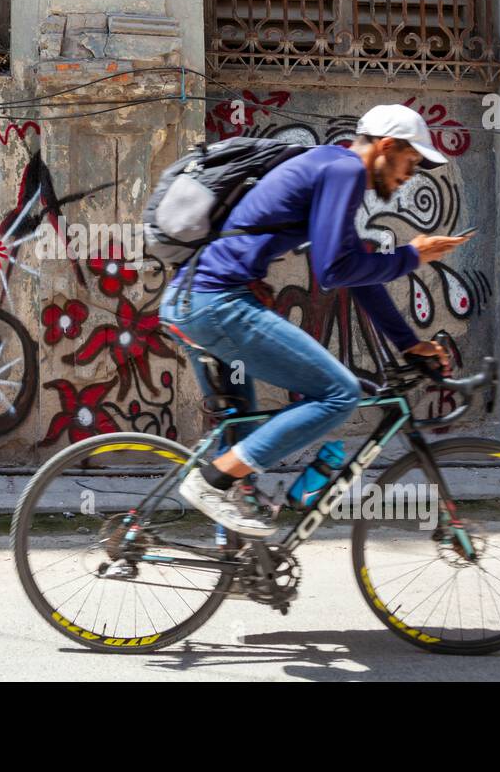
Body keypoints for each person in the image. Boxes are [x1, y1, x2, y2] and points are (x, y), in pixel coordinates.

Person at [159, 103, 472, 537]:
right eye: (411, 161)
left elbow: (357, 273)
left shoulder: (327, 167)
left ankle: (233, 556)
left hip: (193, 301)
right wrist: (410, 256)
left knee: (242, 431)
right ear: (385, 146)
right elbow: (334, 271)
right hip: (217, 303)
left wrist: (407, 342)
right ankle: (209, 484)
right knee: (338, 393)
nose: (410, 175)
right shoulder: (342, 170)